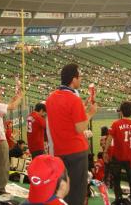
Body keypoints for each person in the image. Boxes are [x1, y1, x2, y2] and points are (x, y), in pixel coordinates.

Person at [45, 63, 97, 205]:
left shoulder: (51, 97)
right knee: (77, 191)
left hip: (60, 150)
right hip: (76, 152)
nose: (80, 80)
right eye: (79, 77)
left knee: (63, 189)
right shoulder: (74, 99)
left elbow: (66, 118)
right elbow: (80, 128)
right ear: (73, 79)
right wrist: (90, 113)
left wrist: (83, 108)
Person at [103, 101, 131, 203]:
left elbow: (109, 139)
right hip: (130, 157)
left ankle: (118, 198)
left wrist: (105, 152)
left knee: (116, 179)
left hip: (117, 157)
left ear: (121, 112)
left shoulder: (116, 124)